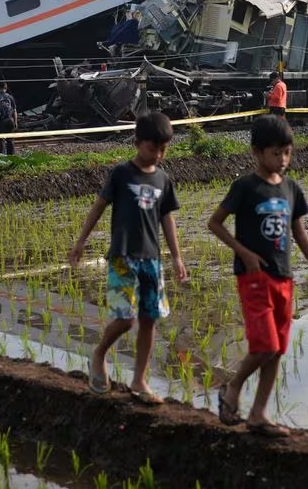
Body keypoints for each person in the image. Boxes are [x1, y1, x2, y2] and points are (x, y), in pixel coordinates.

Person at [207, 116, 308, 436]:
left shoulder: (291, 188)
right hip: (254, 278)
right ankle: (232, 387)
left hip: (284, 277)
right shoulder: (245, 187)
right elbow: (215, 223)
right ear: (257, 152)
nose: (282, 160)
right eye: (275, 153)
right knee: (264, 344)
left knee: (277, 348)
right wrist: (244, 252)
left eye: (287, 153)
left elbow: (299, 233)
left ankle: (258, 414)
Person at [69, 112, 187, 406]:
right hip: (123, 257)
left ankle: (139, 380)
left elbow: (167, 219)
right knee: (125, 319)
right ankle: (99, 355)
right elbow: (98, 207)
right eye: (152, 148)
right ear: (137, 143)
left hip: (152, 259)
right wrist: (81, 241)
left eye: (163, 149)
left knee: (149, 320)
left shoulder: (163, 179)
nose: (158, 154)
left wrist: (176, 257)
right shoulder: (121, 174)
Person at [0, 82, 18, 155]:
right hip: (10, 120)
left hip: (0, 121)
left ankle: (2, 157)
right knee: (10, 139)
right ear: (6, 88)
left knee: (1, 140)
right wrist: (15, 122)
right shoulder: (10, 97)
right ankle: (11, 156)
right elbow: (15, 111)